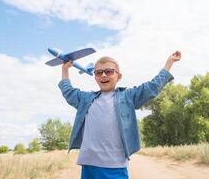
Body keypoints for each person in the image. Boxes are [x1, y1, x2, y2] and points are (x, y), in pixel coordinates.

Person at [58, 51, 181, 179]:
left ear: (119, 76)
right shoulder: (86, 99)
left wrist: (169, 63)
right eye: (99, 72)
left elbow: (152, 87)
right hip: (88, 164)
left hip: (115, 165)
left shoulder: (128, 96)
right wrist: (65, 69)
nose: (103, 75)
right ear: (95, 77)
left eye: (109, 71)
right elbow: (68, 92)